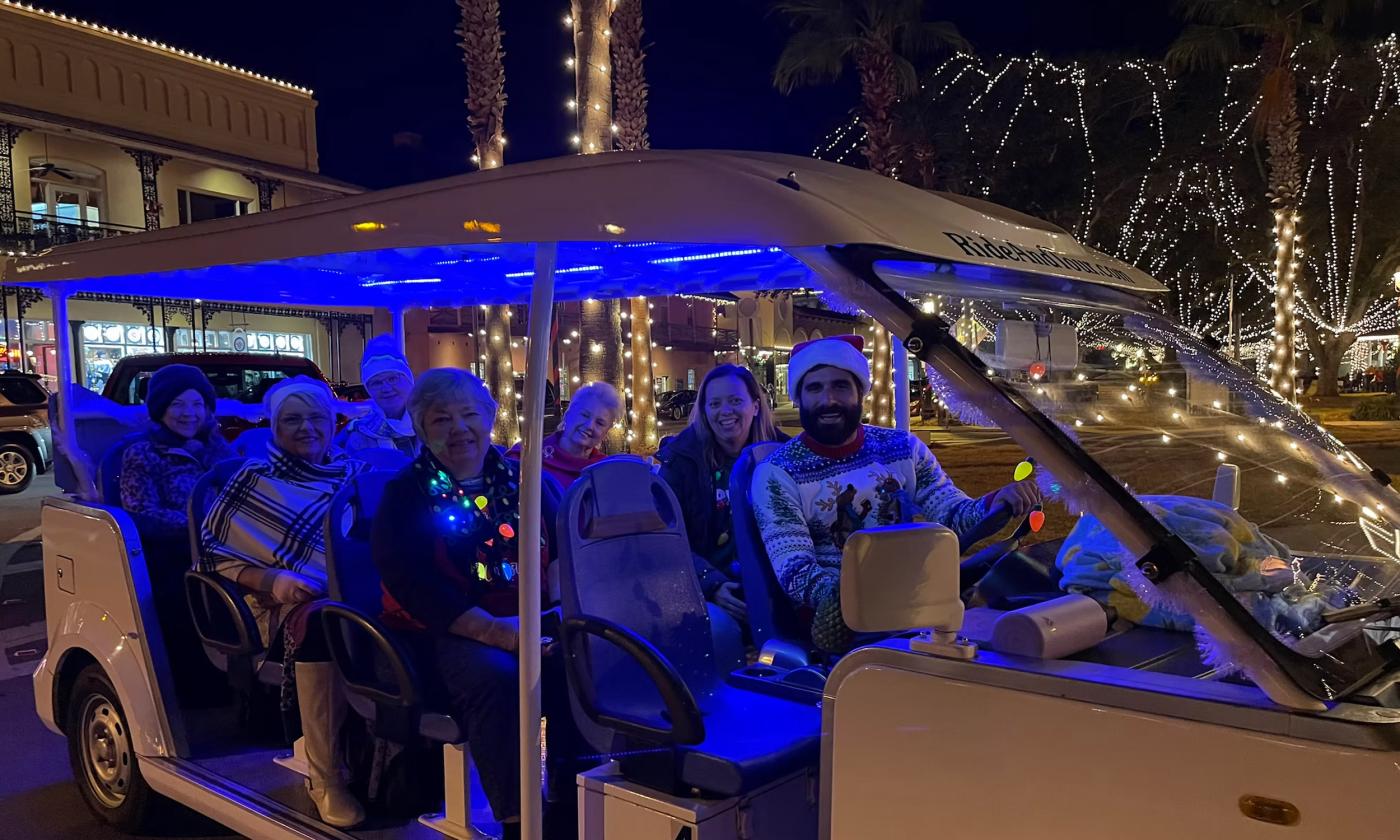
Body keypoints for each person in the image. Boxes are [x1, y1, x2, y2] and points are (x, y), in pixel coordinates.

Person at [372, 369, 582, 840]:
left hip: (528, 618)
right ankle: (518, 821)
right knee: (500, 678)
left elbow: (561, 551)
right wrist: (499, 632)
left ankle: (571, 801)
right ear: (422, 429)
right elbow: (415, 585)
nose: (459, 428)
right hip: (445, 632)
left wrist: (557, 612)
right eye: (441, 419)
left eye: (469, 414)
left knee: (581, 660)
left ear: (489, 418)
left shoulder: (527, 481)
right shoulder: (405, 495)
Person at [752, 335, 1040, 652]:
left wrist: (993, 504)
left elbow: (951, 515)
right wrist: (859, 598)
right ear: (799, 397)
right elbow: (796, 571)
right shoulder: (778, 473)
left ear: (860, 391)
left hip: (917, 603)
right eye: (815, 388)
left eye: (840, 386)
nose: (828, 400)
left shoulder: (902, 448)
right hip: (843, 626)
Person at [199, 376, 368, 828]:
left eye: (318, 418)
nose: (307, 428)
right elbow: (214, 553)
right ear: (274, 426)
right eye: (292, 419)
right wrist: (273, 579)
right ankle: (326, 777)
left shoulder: (353, 472)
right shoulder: (253, 478)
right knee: (325, 624)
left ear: (334, 424)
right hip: (279, 606)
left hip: (352, 593)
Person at [119, 363, 234, 702]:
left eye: (197, 404)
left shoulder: (217, 448)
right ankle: (196, 691)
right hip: (173, 556)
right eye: (178, 405)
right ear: (161, 408)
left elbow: (240, 489)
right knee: (185, 600)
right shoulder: (142, 453)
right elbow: (143, 515)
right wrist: (201, 525)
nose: (189, 414)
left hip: (223, 551)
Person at [658, 364, 785, 624]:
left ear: (756, 406)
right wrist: (710, 584)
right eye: (714, 403)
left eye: (735, 401)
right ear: (704, 411)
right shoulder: (681, 461)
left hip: (777, 587)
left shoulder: (784, 456)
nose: (725, 411)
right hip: (706, 591)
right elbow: (664, 536)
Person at [507, 380, 620, 490]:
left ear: (606, 432)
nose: (589, 426)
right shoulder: (526, 455)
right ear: (568, 414)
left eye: (600, 423)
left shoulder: (606, 470)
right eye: (584, 415)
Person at [336, 334, 418, 456]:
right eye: (376, 383)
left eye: (392, 379)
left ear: (408, 380)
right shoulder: (360, 436)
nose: (386, 388)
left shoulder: (432, 423)